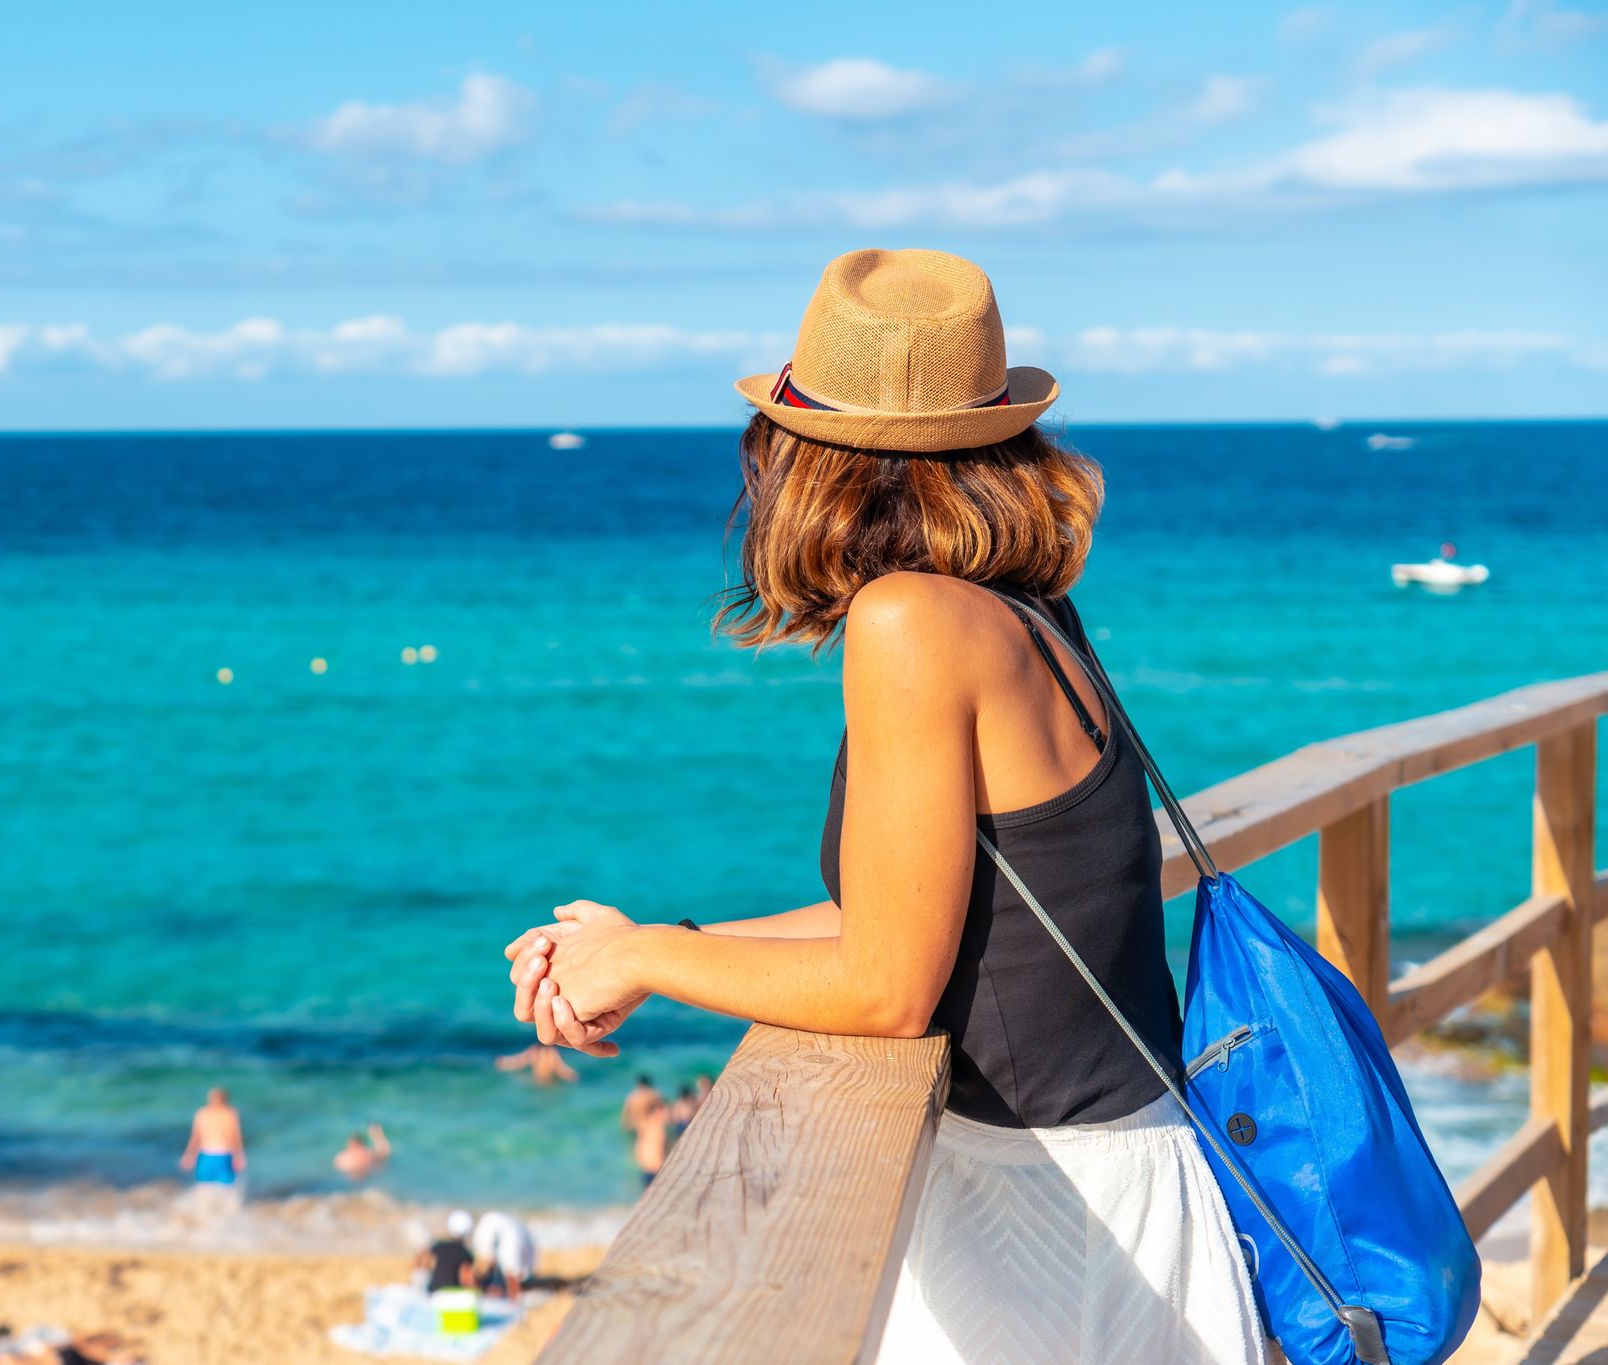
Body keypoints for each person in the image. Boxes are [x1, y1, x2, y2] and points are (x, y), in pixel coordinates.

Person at [503, 250, 1267, 1362]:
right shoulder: (1021, 609)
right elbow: (913, 916)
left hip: (1046, 1226)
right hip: (1098, 1191)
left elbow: (887, 987)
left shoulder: (909, 622)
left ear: (803, 459)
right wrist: (638, 947)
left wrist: (648, 968)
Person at [177, 1087, 247, 1202]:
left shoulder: (202, 1113)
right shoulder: (230, 1113)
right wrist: (239, 1155)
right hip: (223, 1154)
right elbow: (236, 1136)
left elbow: (195, 1137)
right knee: (226, 1190)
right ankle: (224, 1215)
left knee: (204, 1189)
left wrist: (188, 1155)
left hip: (206, 1155)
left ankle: (206, 1215)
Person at [469, 1209, 536, 1301]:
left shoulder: (507, 1243)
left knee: (511, 1273)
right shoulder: (503, 1234)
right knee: (512, 1273)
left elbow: (511, 1274)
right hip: (515, 1233)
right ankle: (514, 1299)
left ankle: (514, 1300)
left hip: (508, 1235)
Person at [618, 1077, 669, 1188]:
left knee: (641, 1154)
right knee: (655, 1153)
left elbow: (625, 1115)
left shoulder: (632, 1097)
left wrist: (625, 1128)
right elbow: (664, 1106)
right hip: (649, 1125)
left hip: (636, 1127)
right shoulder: (653, 1094)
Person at [415, 1210, 478, 1295]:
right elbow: (466, 1279)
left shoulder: (439, 1246)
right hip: (451, 1294)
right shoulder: (464, 1252)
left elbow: (421, 1261)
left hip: (433, 1292)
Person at [493, 1043, 578, 1086]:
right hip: (549, 1082)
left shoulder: (535, 1050)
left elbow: (519, 1061)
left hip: (536, 1080)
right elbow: (561, 1068)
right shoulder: (551, 1052)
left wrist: (503, 1062)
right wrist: (572, 1076)